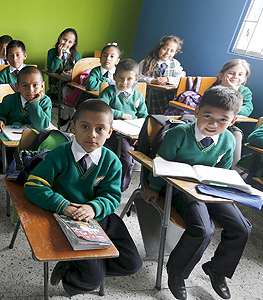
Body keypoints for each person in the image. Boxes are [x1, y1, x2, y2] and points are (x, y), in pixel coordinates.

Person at [141, 86, 250, 300]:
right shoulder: (178, 134)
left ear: (233, 120)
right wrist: (153, 189)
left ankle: (217, 270)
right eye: (208, 116)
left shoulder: (228, 139)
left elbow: (223, 170)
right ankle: (177, 274)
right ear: (197, 111)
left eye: (222, 120)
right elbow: (160, 164)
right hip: (181, 188)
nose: (213, 124)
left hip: (209, 188)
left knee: (242, 227)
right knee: (203, 229)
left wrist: (224, 192)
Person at [24, 99, 142, 295]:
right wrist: (63, 206)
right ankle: (74, 279)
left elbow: (112, 196)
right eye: (85, 127)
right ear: (73, 127)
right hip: (65, 217)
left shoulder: (112, 162)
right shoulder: (59, 155)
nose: (92, 135)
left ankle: (72, 266)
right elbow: (33, 186)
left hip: (99, 216)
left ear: (109, 132)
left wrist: (94, 208)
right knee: (92, 278)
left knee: (132, 264)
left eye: (100, 129)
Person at [98, 59, 147, 191]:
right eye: (120, 78)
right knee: (127, 157)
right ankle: (118, 189)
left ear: (136, 79)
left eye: (129, 79)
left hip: (134, 134)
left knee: (152, 155)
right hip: (114, 132)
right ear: (114, 76)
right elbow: (101, 108)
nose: (124, 82)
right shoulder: (109, 92)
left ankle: (147, 189)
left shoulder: (138, 97)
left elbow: (144, 118)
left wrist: (139, 136)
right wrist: (121, 114)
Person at [209, 59, 253, 165]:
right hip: (209, 121)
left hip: (229, 124)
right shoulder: (215, 89)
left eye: (240, 74)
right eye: (231, 73)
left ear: (244, 78)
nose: (235, 77)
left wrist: (235, 93)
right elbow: (213, 105)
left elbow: (247, 110)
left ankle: (235, 169)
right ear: (221, 75)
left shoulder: (245, 92)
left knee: (237, 134)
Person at [0, 66, 52, 132]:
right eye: (25, 86)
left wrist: (34, 104)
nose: (30, 90)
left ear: (42, 86)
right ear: (17, 87)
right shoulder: (10, 100)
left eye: (35, 85)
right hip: (12, 136)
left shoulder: (45, 101)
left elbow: (41, 126)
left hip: (36, 137)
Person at [138, 35, 186, 114]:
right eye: (165, 49)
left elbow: (181, 78)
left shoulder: (175, 64)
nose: (167, 53)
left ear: (175, 53)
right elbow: (137, 76)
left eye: (171, 51)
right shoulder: (147, 61)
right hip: (149, 98)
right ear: (159, 48)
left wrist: (168, 79)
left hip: (167, 98)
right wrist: (151, 80)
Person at [47, 28, 81, 126]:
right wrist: (59, 55)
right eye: (64, 39)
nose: (66, 43)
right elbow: (52, 70)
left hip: (72, 84)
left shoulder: (76, 55)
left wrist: (73, 71)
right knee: (66, 89)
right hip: (57, 85)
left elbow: (81, 71)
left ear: (73, 44)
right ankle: (71, 117)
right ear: (59, 38)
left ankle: (69, 116)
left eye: (70, 42)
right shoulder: (52, 52)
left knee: (73, 90)